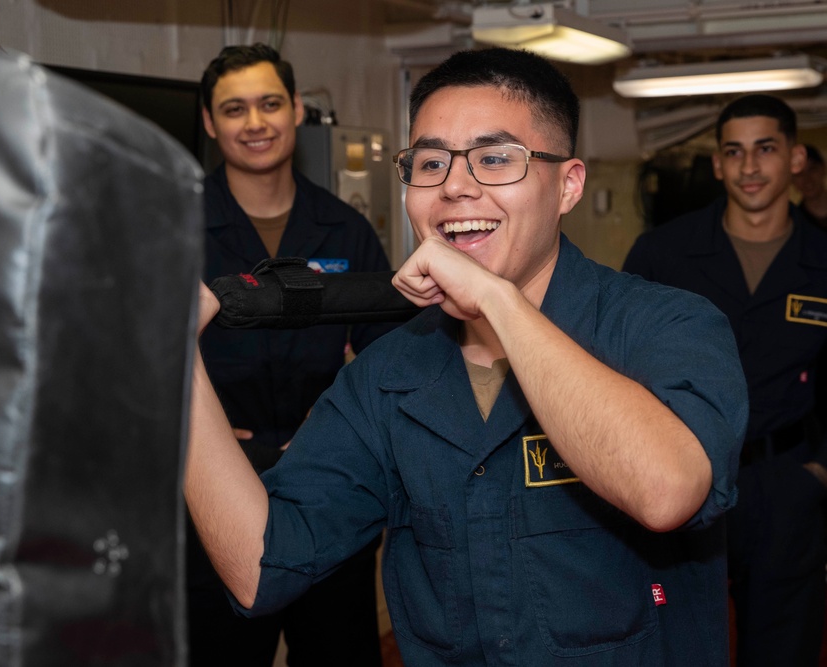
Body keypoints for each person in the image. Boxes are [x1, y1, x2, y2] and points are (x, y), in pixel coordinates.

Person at [187, 46, 748, 665]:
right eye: (430, 162)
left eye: (495, 158)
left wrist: (497, 301)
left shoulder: (664, 327)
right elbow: (260, 566)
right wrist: (174, 359)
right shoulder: (388, 379)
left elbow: (667, 491)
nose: (454, 186)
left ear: (567, 186)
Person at [189, 43, 392, 667]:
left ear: (297, 109)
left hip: (327, 486)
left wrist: (335, 420)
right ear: (209, 121)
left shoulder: (344, 229)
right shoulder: (174, 226)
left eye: (270, 103)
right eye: (235, 109)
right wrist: (207, 431)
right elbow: (132, 354)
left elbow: (388, 354)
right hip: (217, 484)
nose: (255, 123)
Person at [623, 94, 827, 666]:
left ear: (795, 159)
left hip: (786, 489)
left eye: (766, 148)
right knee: (676, 645)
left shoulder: (821, 259)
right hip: (682, 489)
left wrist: (818, 473)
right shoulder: (664, 254)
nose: (749, 166)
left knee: (784, 648)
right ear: (717, 165)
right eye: (733, 152)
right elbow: (616, 367)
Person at [794, 143, 827, 229]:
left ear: (823, 168)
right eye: (799, 174)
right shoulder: (793, 224)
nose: (807, 179)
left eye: (812, 169)